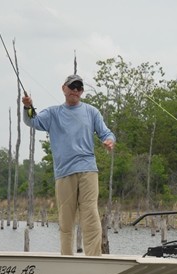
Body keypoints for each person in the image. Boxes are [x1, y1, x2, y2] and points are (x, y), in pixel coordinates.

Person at [22, 74, 115, 256]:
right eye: (72, 87)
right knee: (66, 220)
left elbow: (106, 133)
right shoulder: (53, 113)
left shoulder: (91, 112)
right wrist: (27, 107)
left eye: (79, 88)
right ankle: (67, 258)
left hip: (88, 170)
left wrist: (109, 141)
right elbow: (32, 120)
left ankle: (94, 258)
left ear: (81, 92)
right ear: (63, 88)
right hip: (64, 173)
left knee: (90, 216)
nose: (75, 90)